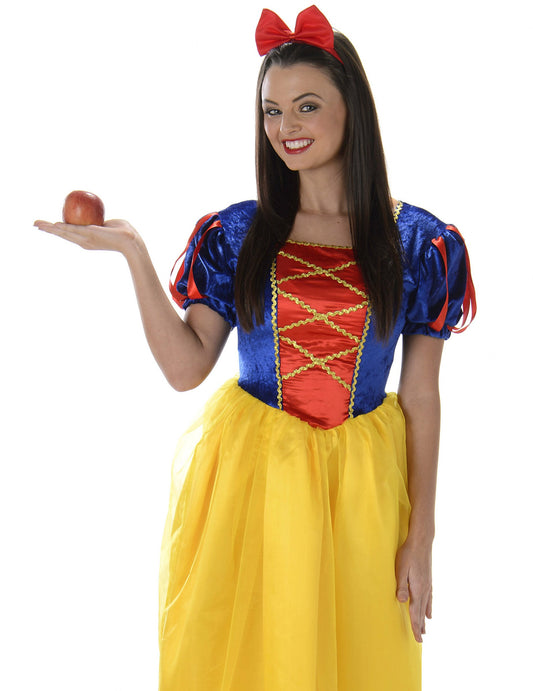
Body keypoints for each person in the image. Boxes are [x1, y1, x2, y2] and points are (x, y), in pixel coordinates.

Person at [34, 5, 476, 690]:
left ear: (352, 109)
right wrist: (134, 254)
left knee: (359, 662)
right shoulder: (241, 234)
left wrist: (422, 537)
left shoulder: (417, 242)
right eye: (271, 110)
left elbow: (420, 394)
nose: (285, 126)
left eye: (306, 106)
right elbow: (186, 368)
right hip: (256, 485)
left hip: (363, 492)